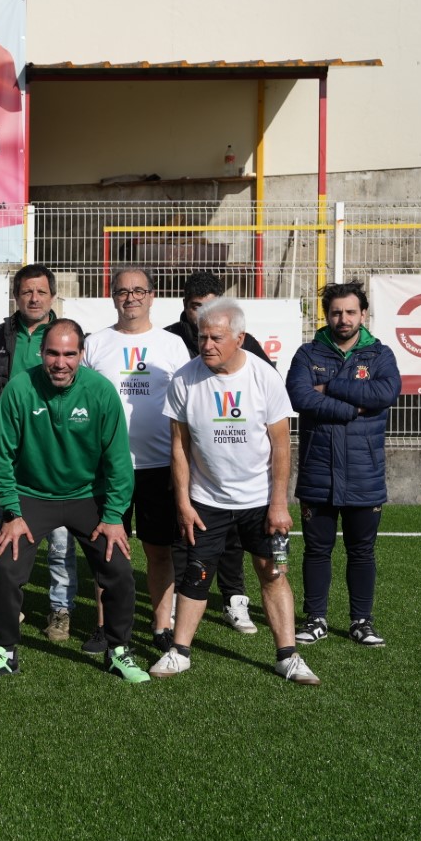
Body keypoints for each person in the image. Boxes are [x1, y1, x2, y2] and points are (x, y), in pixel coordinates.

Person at [0, 320, 150, 684]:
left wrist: (114, 516)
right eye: (53, 353)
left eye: (69, 354)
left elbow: (118, 460)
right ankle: (4, 652)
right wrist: (13, 511)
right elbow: (1, 457)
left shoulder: (100, 391)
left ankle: (118, 651)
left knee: (118, 570)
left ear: (81, 355)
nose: (60, 362)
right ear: (42, 353)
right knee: (6, 565)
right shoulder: (20, 388)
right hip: (32, 495)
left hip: (89, 495)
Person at [155, 297, 319, 684]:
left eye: (216, 338)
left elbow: (281, 444)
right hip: (205, 500)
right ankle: (179, 653)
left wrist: (278, 503)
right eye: (202, 337)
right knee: (196, 574)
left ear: (240, 337)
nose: (206, 345)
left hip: (259, 502)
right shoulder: (183, 379)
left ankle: (287, 656)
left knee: (272, 573)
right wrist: (182, 501)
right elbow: (179, 446)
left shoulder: (264, 377)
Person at [82, 267, 195, 651]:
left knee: (158, 550)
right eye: (122, 291)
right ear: (112, 296)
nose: (130, 297)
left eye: (138, 291)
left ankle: (162, 626)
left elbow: (186, 406)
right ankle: (104, 625)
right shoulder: (95, 343)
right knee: (106, 550)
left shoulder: (172, 344)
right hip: (107, 467)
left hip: (159, 466)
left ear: (152, 295)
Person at [286, 281, 401, 647]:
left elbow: (386, 393)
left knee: (362, 551)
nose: (343, 319)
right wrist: (354, 407)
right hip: (318, 471)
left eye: (351, 312)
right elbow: (299, 396)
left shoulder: (380, 355)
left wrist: (331, 387)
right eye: (336, 312)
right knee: (317, 550)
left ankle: (361, 621)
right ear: (327, 315)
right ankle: (315, 618)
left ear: (363, 314)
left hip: (364, 473)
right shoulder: (307, 354)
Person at [165, 269, 275, 637]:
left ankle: (234, 599)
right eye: (198, 310)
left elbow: (268, 398)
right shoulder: (170, 341)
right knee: (188, 537)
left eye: (212, 310)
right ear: (186, 308)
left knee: (237, 545)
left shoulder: (249, 349)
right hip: (196, 468)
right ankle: (184, 605)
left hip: (243, 478)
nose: (207, 335)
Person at [0, 264, 76, 644]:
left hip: (57, 456)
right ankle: (7, 608)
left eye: (41, 292)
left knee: (61, 543)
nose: (33, 298)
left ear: (52, 297)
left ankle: (60, 611)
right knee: (3, 537)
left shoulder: (66, 336)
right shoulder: (0, 335)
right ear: (16, 296)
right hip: (11, 453)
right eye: (26, 292)